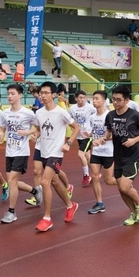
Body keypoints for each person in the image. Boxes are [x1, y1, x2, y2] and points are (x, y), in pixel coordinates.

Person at [100, 85, 139, 225]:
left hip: (132, 157)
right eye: (113, 100)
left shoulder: (134, 115)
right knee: (121, 189)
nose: (115, 103)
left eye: (118, 100)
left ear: (127, 100)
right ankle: (133, 213)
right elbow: (110, 132)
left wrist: (134, 140)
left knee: (124, 186)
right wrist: (103, 138)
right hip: (118, 156)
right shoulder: (110, 115)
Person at [33, 81, 80, 232]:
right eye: (41, 93)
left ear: (54, 95)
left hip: (56, 152)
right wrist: (35, 134)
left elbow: (76, 127)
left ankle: (47, 218)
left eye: (46, 93)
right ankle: (70, 205)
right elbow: (39, 129)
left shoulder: (61, 112)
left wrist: (69, 142)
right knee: (54, 181)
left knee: (44, 181)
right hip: (44, 151)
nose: (43, 96)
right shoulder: (39, 113)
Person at [0, 84, 42, 223]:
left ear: (20, 95)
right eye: (8, 93)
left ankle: (11, 212)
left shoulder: (28, 113)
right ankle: (35, 191)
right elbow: (3, 128)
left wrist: (28, 133)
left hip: (22, 152)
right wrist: (0, 135)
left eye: (12, 93)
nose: (9, 96)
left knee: (11, 181)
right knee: (13, 182)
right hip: (9, 151)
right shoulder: (5, 112)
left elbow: (38, 128)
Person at [86, 90, 116, 214]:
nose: (94, 101)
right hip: (96, 153)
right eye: (93, 99)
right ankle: (99, 203)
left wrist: (102, 139)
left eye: (97, 99)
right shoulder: (92, 117)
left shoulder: (110, 116)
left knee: (108, 180)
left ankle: (125, 184)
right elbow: (93, 132)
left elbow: (116, 135)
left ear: (103, 101)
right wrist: (88, 134)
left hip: (108, 152)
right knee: (94, 176)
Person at [69, 90, 96, 186]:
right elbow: (70, 119)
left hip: (87, 135)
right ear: (76, 98)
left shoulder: (90, 108)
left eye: (84, 98)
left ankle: (86, 176)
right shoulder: (72, 109)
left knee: (81, 155)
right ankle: (96, 173)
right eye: (80, 98)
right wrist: (73, 127)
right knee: (87, 156)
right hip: (79, 136)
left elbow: (97, 115)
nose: (82, 100)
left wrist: (91, 131)